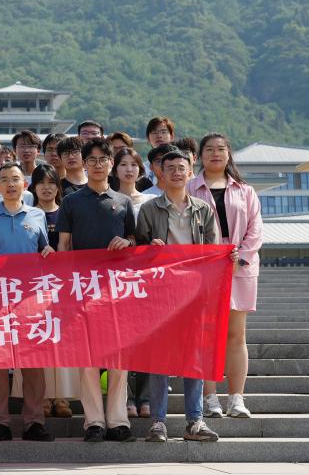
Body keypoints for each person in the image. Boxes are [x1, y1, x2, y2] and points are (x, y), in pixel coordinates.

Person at [137, 150, 224, 443]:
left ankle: (195, 421)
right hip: (160, 294)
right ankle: (158, 422)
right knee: (160, 361)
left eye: (181, 168)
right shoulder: (149, 210)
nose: (176, 172)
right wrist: (149, 249)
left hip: (194, 294)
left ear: (190, 173)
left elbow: (213, 252)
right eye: (170, 168)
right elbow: (137, 253)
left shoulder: (203, 209)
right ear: (160, 173)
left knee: (193, 359)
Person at [57, 137, 136, 442]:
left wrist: (127, 242)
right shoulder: (71, 201)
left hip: (117, 290)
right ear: (84, 164)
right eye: (92, 160)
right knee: (87, 358)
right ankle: (94, 422)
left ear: (111, 164)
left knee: (118, 358)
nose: (98, 165)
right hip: (82, 290)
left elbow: (134, 241)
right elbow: (64, 245)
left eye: (103, 159)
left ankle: (118, 420)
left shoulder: (123, 202)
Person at [0, 161, 55, 442]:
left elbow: (44, 248)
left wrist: (48, 251)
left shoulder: (37, 215)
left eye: (15, 178)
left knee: (33, 363)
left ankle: (34, 422)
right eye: (5, 179)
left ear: (25, 184)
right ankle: (0, 423)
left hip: (30, 300)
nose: (10, 184)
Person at [189, 133, 263, 419]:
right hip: (203, 268)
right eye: (209, 149)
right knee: (206, 334)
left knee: (236, 334)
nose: (215, 154)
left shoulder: (245, 190)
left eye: (221, 149)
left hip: (238, 267)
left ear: (229, 154)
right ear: (200, 156)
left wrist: (240, 257)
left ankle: (236, 398)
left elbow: (255, 229)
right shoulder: (190, 187)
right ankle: (209, 398)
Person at [27, 163, 77, 418]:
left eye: (51, 183)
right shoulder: (27, 214)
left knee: (63, 342)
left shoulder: (67, 211)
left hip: (63, 287)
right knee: (39, 342)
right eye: (41, 183)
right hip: (33, 288)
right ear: (33, 187)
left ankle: (62, 398)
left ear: (58, 187)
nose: (46, 188)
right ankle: (43, 398)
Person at [110, 146, 156, 419]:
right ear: (114, 169)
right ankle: (125, 395)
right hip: (114, 277)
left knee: (145, 339)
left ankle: (146, 396)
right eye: (123, 164)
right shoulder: (109, 198)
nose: (129, 169)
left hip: (145, 277)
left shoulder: (151, 200)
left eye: (134, 164)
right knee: (119, 340)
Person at [144, 116, 176, 185]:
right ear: (148, 138)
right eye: (154, 132)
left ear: (171, 136)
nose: (159, 136)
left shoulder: (180, 163)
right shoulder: (142, 168)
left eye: (163, 132)